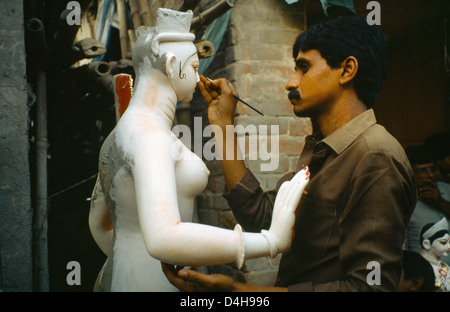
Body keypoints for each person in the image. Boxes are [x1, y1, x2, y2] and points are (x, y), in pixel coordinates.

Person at [163, 16, 417, 292]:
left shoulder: (375, 156)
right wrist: (223, 123)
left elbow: (370, 288)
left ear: (347, 70)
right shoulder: (324, 148)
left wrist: (239, 292)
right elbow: (260, 216)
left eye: (303, 68)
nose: (290, 82)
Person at [88, 8, 309, 292]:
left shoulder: (118, 135)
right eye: (194, 68)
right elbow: (163, 238)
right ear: (171, 66)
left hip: (125, 276)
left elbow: (99, 225)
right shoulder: (151, 137)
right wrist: (270, 241)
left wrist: (130, 260)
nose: (198, 78)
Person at [403, 144, 450, 265]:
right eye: (422, 171)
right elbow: (402, 247)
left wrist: (440, 202)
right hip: (427, 275)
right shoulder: (404, 200)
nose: (430, 176)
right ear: (410, 172)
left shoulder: (447, 190)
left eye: (432, 169)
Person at [419, 218, 450, 291]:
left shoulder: (446, 267)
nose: (449, 246)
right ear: (426, 244)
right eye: (443, 242)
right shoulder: (420, 266)